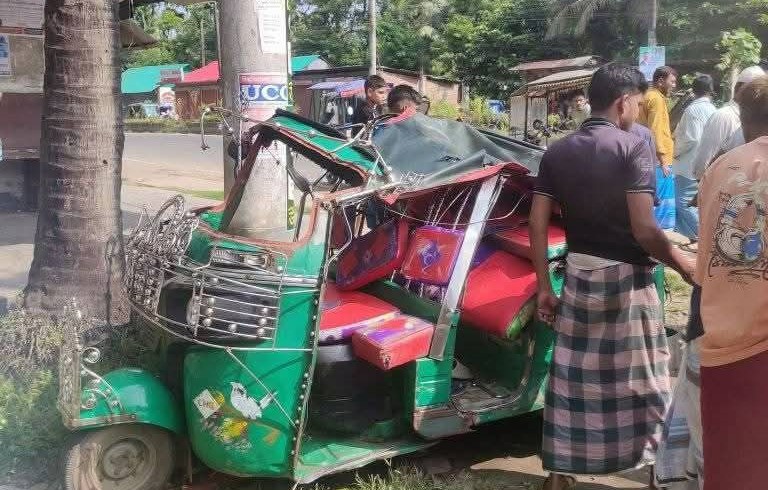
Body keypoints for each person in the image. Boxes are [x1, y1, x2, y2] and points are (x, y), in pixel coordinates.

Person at [530, 63, 695, 490]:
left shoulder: (557, 152)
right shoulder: (632, 147)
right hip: (628, 283)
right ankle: (656, 473)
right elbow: (645, 230)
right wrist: (684, 264)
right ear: (623, 102)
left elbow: (537, 222)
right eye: (638, 104)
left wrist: (544, 287)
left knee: (572, 379)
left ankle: (558, 475)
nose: (638, 112)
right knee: (644, 379)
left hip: (580, 275)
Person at [695, 75, 768, 490]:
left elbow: (704, 262)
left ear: (744, 118)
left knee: (730, 469)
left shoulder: (721, 167)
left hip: (724, 343)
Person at [691, 65, 766, 180]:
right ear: (740, 89)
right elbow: (704, 162)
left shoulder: (757, 121)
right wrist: (705, 183)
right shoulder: (723, 116)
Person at [672, 75, 717, 248]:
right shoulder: (714, 109)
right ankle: (695, 239)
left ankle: (705, 239)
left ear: (693, 90)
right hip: (705, 164)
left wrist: (675, 152)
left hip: (688, 165)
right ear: (710, 91)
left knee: (683, 204)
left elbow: (691, 138)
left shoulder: (693, 110)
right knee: (695, 205)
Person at [640, 66, 677, 176]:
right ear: (661, 81)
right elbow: (656, 131)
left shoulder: (647, 95)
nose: (674, 85)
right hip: (659, 161)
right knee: (663, 188)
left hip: (646, 155)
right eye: (672, 82)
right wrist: (663, 161)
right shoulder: (656, 99)